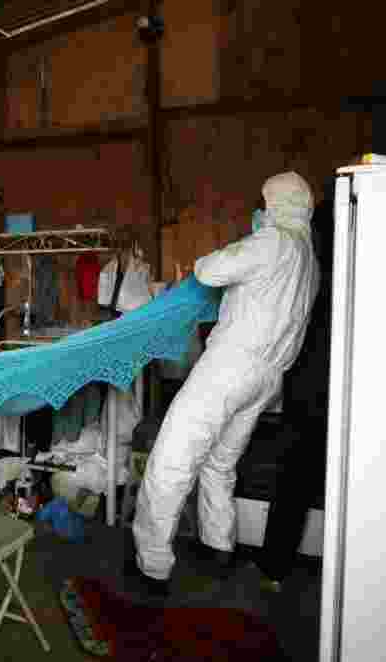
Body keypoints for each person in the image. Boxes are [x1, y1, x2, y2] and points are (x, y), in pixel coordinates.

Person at [127, 171, 320, 598]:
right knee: (219, 464)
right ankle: (219, 546)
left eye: (263, 203)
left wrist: (214, 256)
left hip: (233, 366)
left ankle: (151, 566)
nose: (260, 210)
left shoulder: (274, 243)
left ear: (276, 205)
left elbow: (211, 270)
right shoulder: (308, 258)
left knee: (171, 459)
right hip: (269, 378)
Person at [252, 199, 334, 593]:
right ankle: (277, 568)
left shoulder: (306, 265)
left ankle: (273, 569)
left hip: (309, 390)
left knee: (294, 480)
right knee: (301, 478)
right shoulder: (327, 269)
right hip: (321, 389)